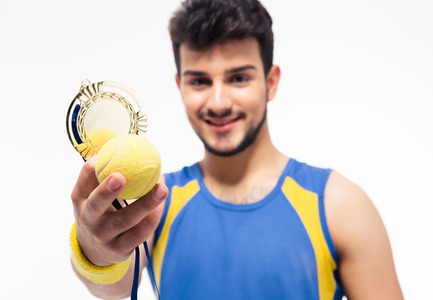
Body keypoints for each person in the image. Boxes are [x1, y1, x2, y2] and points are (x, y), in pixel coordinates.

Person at [70, 0, 404, 299]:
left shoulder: (339, 205)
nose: (218, 102)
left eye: (238, 78)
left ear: (270, 82)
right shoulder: (158, 201)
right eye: (199, 81)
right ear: (180, 86)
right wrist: (97, 251)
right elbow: (110, 287)